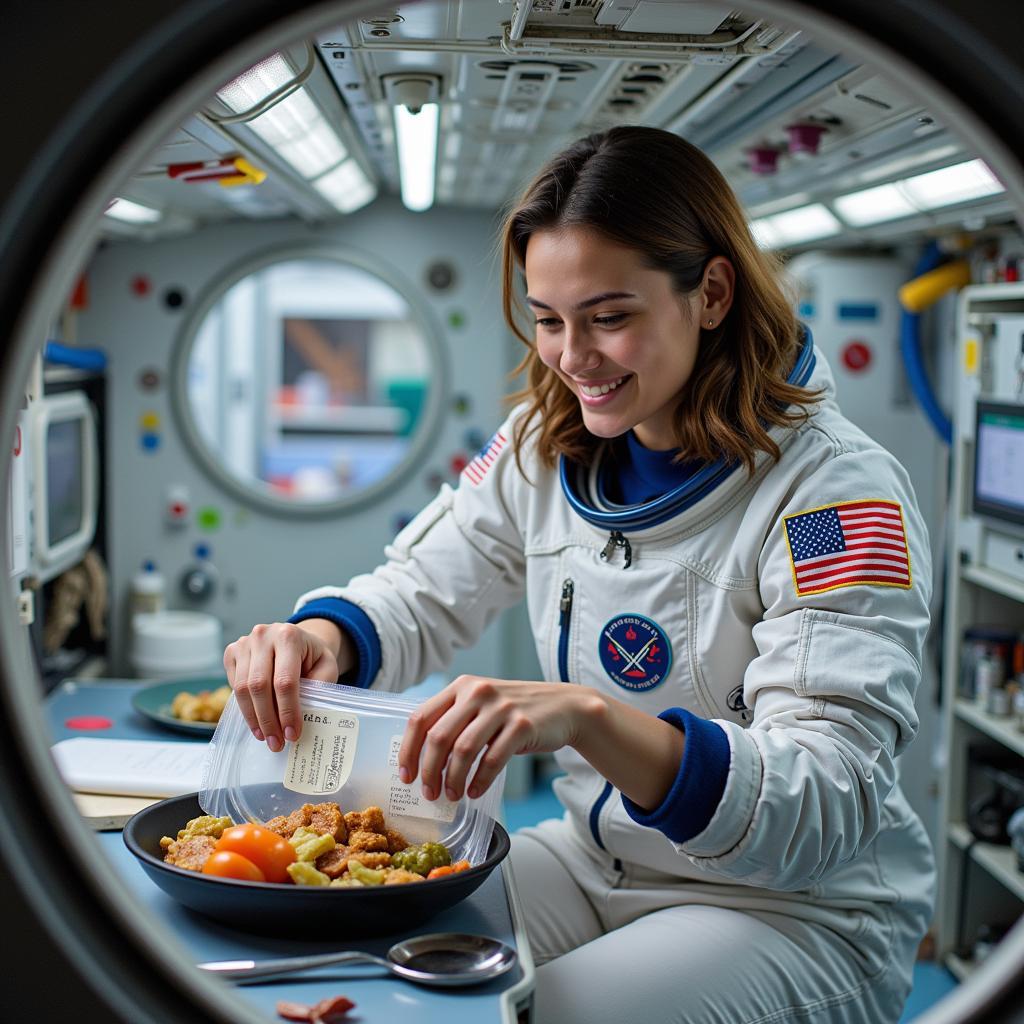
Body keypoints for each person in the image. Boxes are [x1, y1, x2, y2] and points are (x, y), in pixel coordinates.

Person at [224, 125, 935, 1024]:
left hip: (792, 907)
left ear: (711, 292)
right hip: (597, 858)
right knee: (359, 934)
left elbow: (825, 798)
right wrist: (319, 639)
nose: (572, 357)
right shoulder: (541, 441)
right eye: (549, 319)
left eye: (609, 317)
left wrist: (591, 719)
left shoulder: (835, 495)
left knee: (543, 1015)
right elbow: (421, 591)